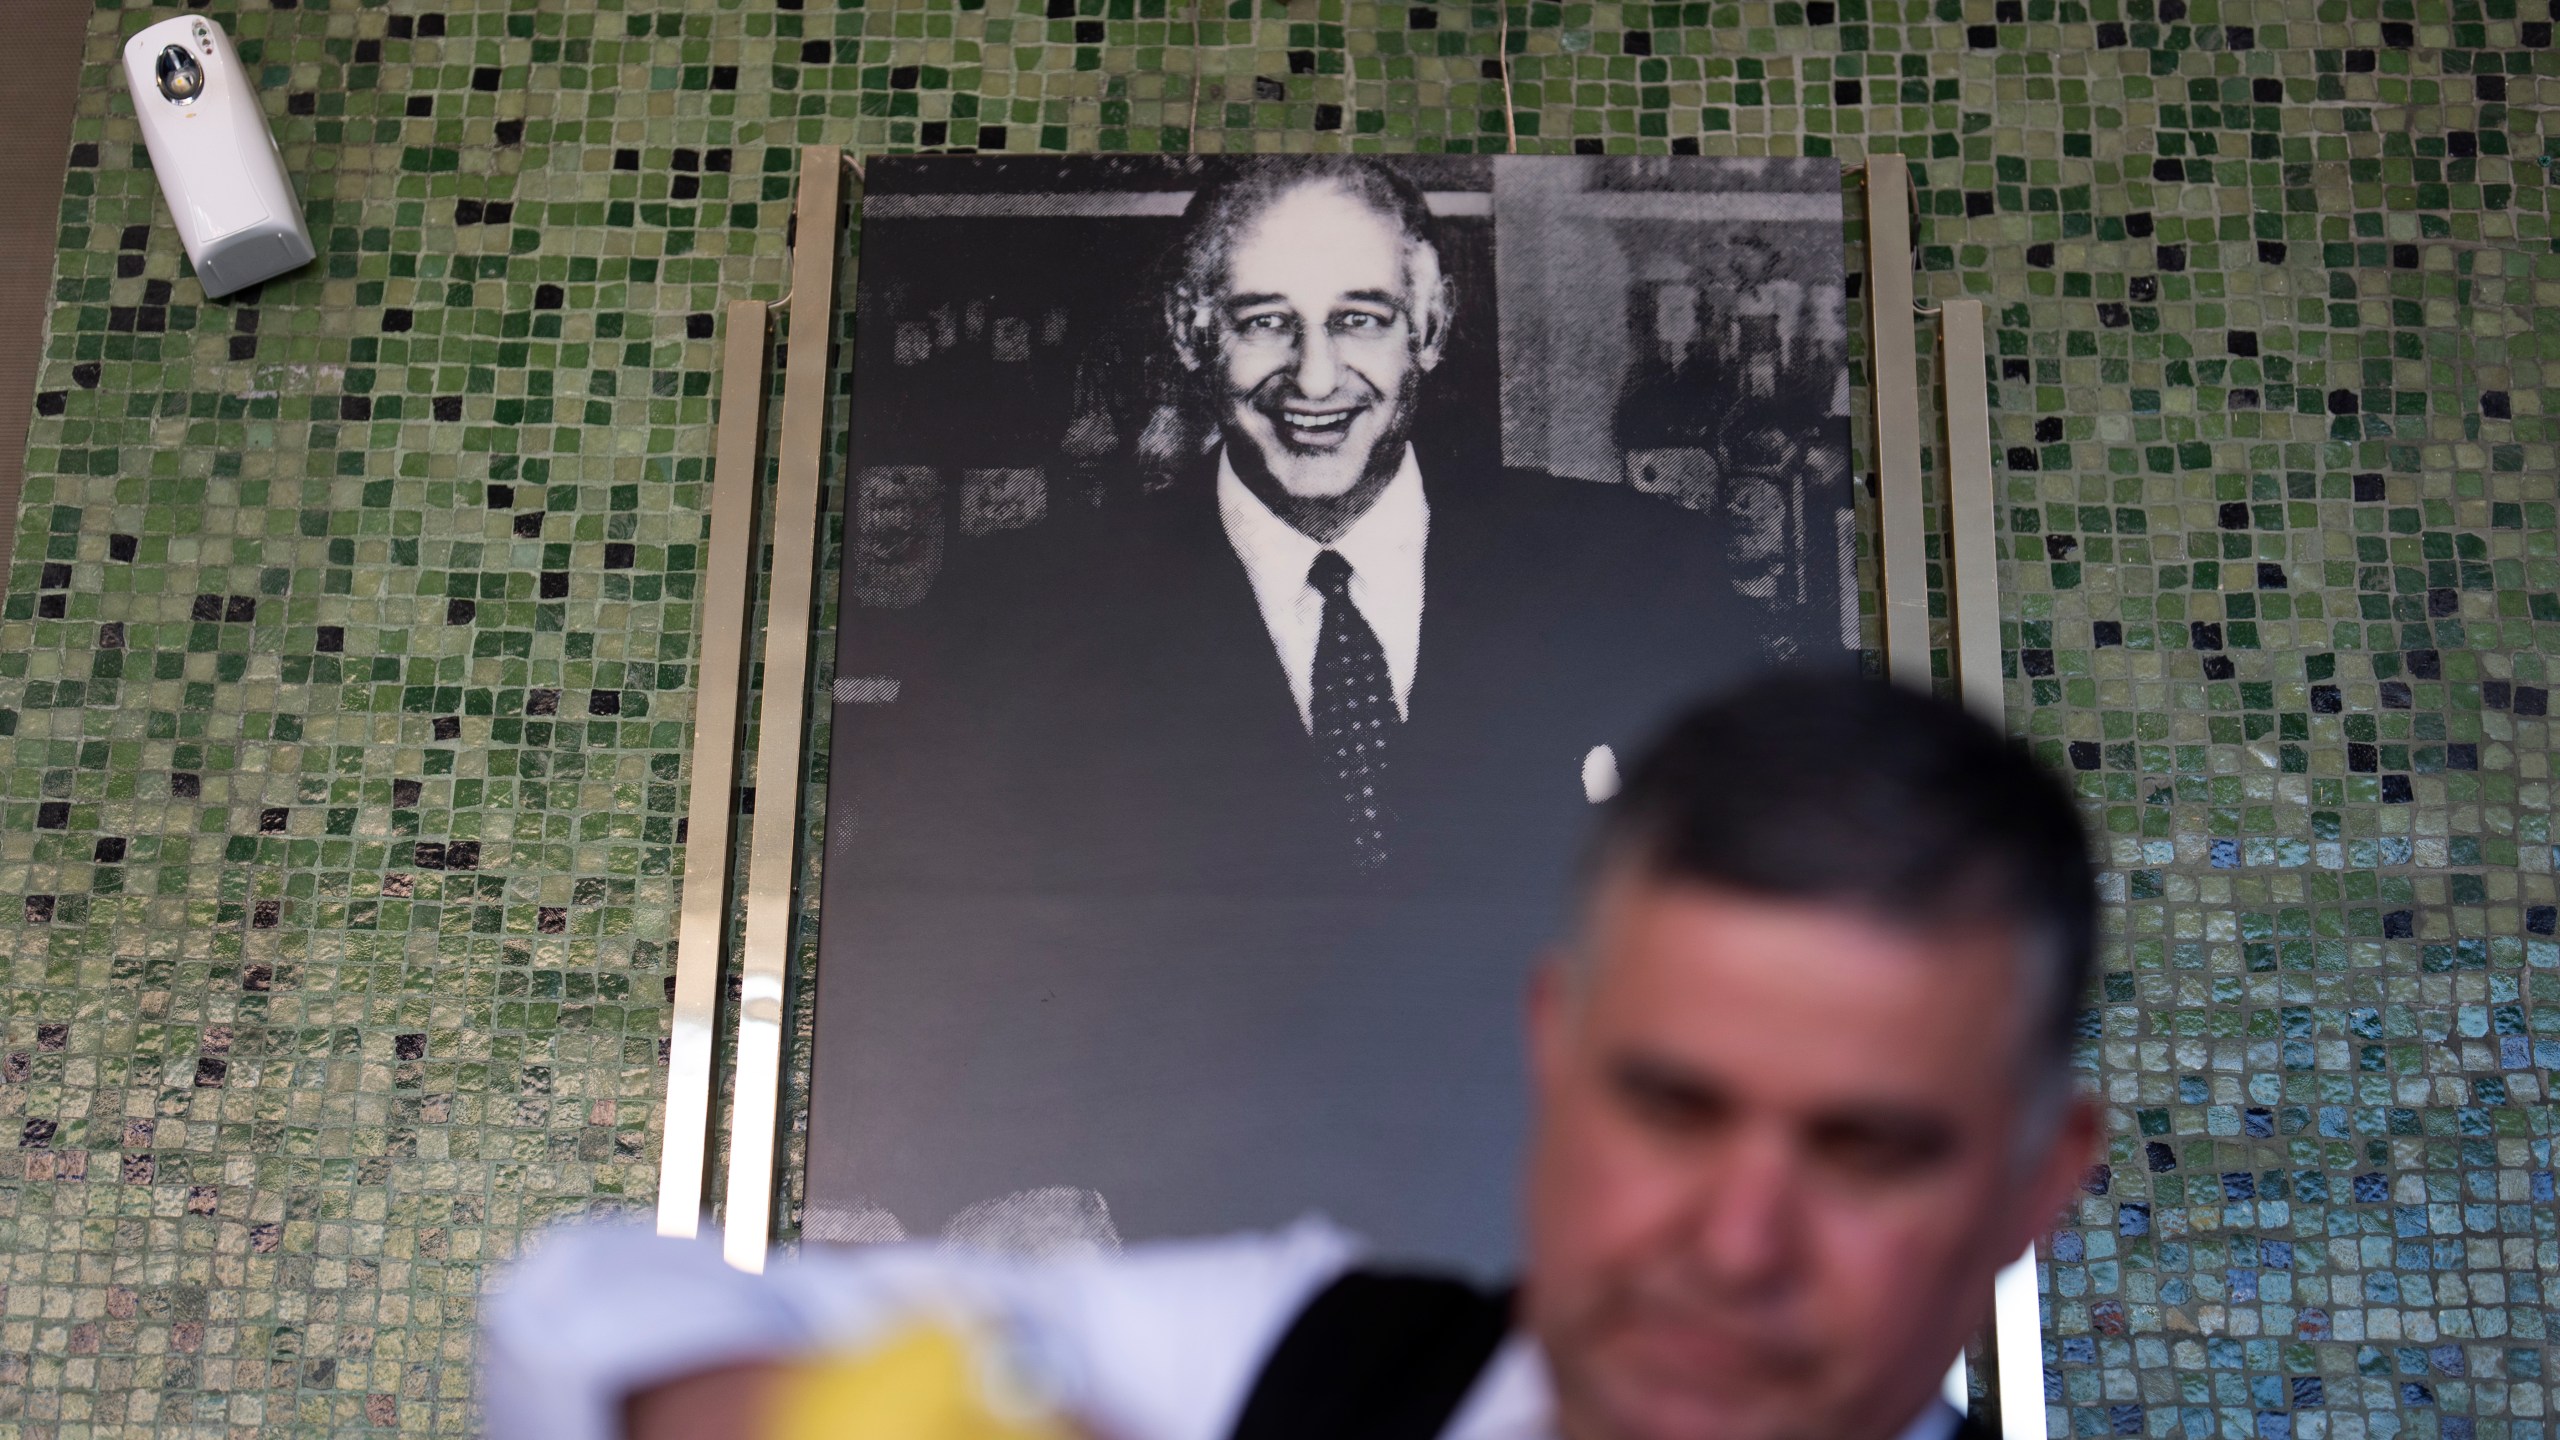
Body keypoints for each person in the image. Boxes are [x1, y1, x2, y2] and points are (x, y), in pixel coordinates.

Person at [487, 674, 2102, 1440]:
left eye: (1868, 1148)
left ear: (2038, 1187)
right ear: (1558, 1047)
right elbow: (582, 1322)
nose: (1738, 1244)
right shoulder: (1280, 1360)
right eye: (1672, 1106)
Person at [806, 158, 1833, 1258]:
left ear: (1426, 329)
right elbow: (914, 938)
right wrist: (1007, 1187)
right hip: (1180, 1267)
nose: (1315, 375)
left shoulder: (1639, 570)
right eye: (1264, 323)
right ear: (1196, 336)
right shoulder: (1015, 608)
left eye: (1360, 320)